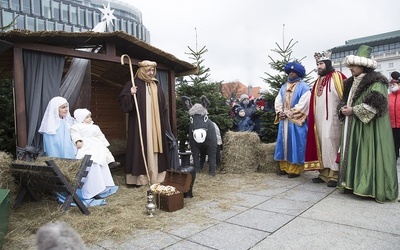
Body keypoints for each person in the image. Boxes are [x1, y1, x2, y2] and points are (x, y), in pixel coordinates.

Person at [337, 45, 398, 202]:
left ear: (363, 65)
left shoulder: (377, 81)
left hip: (369, 128)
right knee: (353, 152)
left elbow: (375, 105)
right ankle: (351, 184)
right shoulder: (350, 82)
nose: (350, 68)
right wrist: (343, 108)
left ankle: (367, 186)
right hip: (352, 125)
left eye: (353, 66)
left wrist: (353, 110)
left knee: (366, 153)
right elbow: (345, 100)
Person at [39, 97, 117, 203]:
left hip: (76, 152)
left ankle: (97, 189)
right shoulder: (51, 128)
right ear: (55, 109)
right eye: (63, 107)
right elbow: (55, 149)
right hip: (65, 159)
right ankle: (89, 191)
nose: (66, 109)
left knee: (95, 160)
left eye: (67, 107)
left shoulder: (68, 122)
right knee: (91, 163)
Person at [119, 60, 170, 186]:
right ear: (142, 70)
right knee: (140, 146)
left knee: (155, 145)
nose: (151, 73)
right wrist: (130, 94)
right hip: (139, 124)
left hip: (156, 124)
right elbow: (123, 105)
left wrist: (162, 123)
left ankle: (157, 177)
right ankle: (140, 179)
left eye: (153, 70)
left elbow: (163, 106)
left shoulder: (156, 85)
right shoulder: (132, 83)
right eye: (148, 70)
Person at [304, 50, 347, 187]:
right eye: (317, 64)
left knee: (331, 143)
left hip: (334, 118)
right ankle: (323, 174)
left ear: (328, 63)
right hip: (319, 120)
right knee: (321, 144)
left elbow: (345, 95)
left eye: (321, 63)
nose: (318, 67)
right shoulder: (317, 81)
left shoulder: (338, 76)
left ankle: (335, 174)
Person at [274, 61, 311, 178]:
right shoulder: (283, 87)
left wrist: (288, 113)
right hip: (284, 121)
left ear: (299, 73)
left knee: (296, 143)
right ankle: (284, 167)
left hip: (296, 121)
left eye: (294, 72)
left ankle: (295, 169)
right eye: (290, 71)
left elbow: (304, 104)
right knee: (283, 143)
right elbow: (278, 101)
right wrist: (280, 112)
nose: (291, 74)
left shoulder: (304, 87)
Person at [389, 71, 400, 160]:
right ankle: (394, 158)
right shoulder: (388, 96)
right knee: (393, 144)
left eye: (394, 83)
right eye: (391, 84)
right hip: (392, 125)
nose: (392, 85)